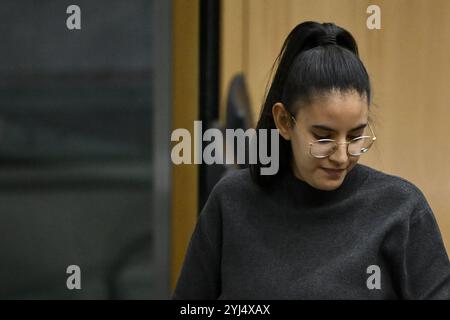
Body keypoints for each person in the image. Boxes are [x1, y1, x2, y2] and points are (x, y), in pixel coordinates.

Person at [173, 21, 450, 299]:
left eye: (355, 137)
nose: (341, 157)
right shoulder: (232, 202)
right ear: (284, 121)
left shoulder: (401, 209)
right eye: (324, 137)